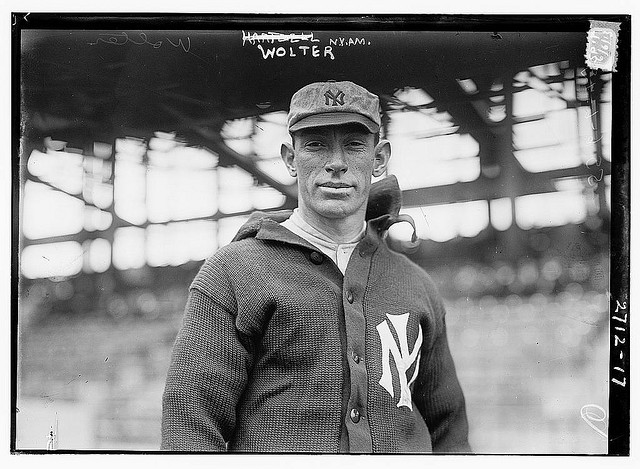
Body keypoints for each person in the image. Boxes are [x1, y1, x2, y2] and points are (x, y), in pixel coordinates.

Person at [161, 80, 470, 453]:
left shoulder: (416, 284)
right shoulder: (233, 272)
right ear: (290, 158)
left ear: (380, 159)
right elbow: (189, 425)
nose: (336, 164)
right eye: (315, 144)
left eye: (354, 145)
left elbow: (450, 433)